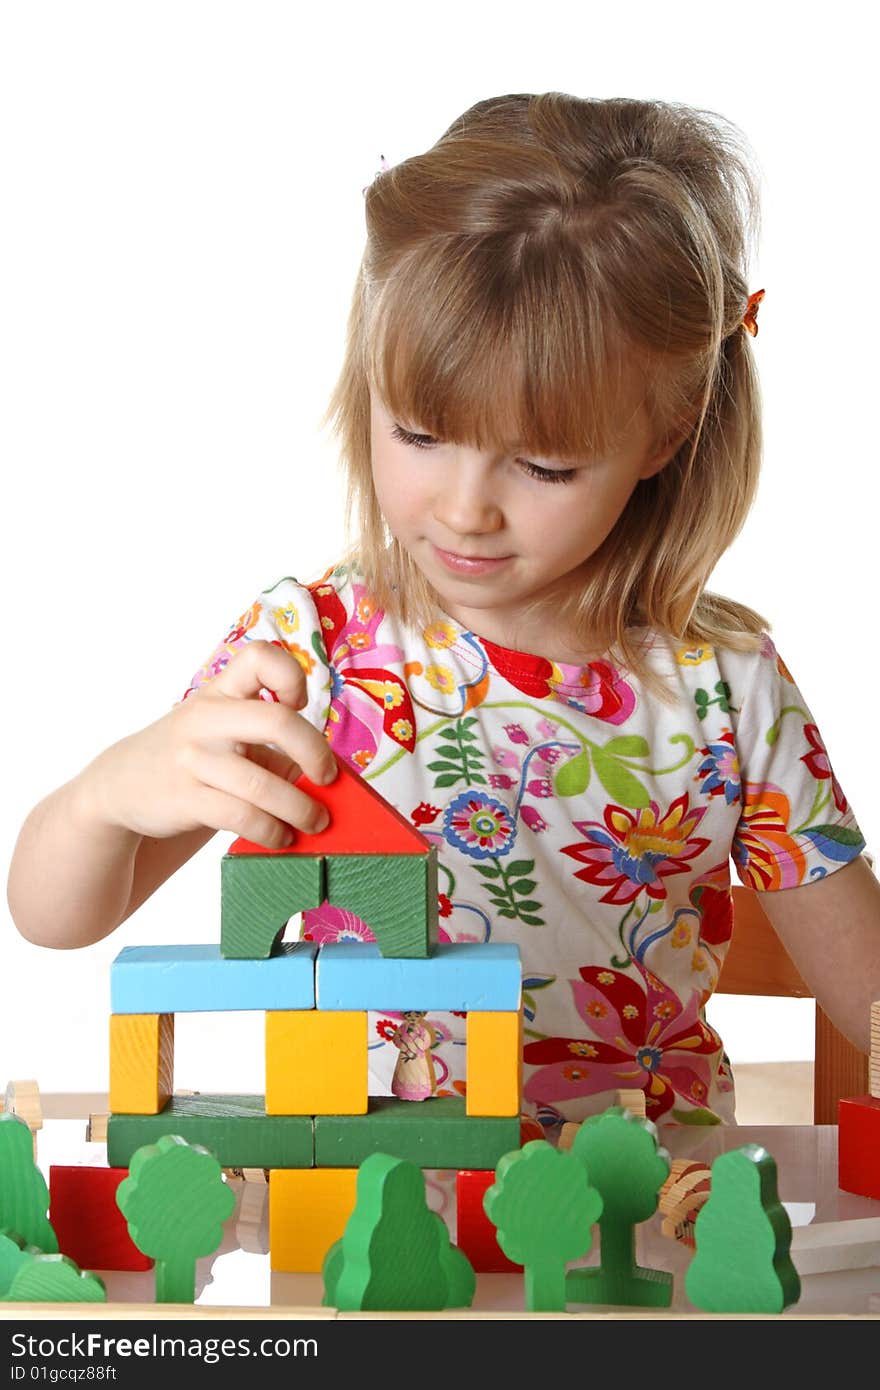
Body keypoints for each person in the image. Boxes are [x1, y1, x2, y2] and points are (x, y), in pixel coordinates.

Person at [8, 92, 880, 1130]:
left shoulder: (724, 685)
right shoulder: (312, 651)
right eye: (420, 435)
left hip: (644, 1211)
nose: (466, 509)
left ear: (665, 433)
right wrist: (110, 792)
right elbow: (56, 917)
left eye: (546, 464)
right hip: (363, 1205)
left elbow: (865, 996)